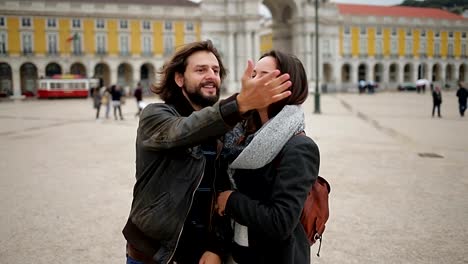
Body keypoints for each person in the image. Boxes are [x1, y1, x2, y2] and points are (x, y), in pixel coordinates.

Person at [122, 40, 292, 264]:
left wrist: (217, 246)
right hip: (153, 255)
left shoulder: (222, 129)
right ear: (179, 78)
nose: (211, 76)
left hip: (202, 256)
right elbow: (183, 131)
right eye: (200, 70)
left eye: (215, 70)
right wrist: (240, 104)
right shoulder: (155, 116)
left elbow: (222, 189)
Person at [216, 50, 320, 264]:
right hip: (237, 253)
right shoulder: (238, 136)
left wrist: (231, 201)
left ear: (287, 87)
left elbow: (281, 222)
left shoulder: (300, 148)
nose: (254, 81)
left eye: (264, 75)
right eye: (253, 75)